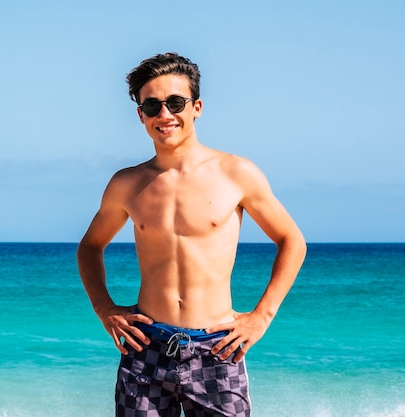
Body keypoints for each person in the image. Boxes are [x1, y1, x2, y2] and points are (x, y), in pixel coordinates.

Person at [77, 52, 306, 417]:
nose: (164, 115)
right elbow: (90, 246)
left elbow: (291, 240)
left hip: (218, 348)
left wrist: (262, 315)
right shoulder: (127, 183)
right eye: (152, 105)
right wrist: (104, 308)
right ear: (140, 114)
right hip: (146, 347)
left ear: (196, 107)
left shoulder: (236, 173)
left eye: (175, 103)